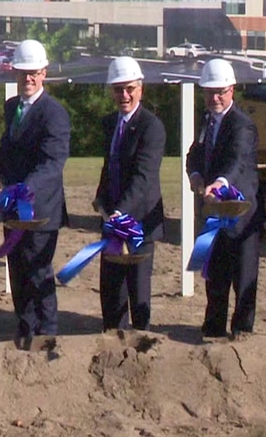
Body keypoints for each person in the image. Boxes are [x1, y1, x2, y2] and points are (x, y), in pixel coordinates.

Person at [0, 39, 71, 349]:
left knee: (39, 272)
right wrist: (0, 171)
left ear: (44, 73)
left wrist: (26, 187)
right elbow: (7, 146)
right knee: (18, 271)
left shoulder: (54, 113)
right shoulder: (12, 107)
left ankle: (47, 332)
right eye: (23, 72)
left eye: (34, 73)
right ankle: (24, 328)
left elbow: (53, 163)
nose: (28, 78)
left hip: (41, 209)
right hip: (13, 208)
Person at [186, 59, 263, 339]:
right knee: (215, 275)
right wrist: (195, 173)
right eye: (209, 92)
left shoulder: (242, 125)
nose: (214, 98)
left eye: (220, 92)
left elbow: (237, 161)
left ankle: (243, 333)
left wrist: (219, 183)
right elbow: (195, 152)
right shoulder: (207, 119)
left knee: (243, 279)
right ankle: (214, 329)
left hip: (241, 214)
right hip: (214, 213)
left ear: (232, 89)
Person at [92, 57, 165, 331]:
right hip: (112, 220)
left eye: (129, 88)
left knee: (138, 289)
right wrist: (101, 197)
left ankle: (143, 344)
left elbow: (144, 177)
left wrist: (120, 212)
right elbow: (109, 165)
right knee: (111, 291)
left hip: (139, 221)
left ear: (140, 88)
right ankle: (113, 339)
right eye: (118, 89)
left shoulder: (152, 126)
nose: (124, 95)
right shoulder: (110, 123)